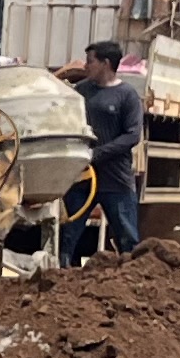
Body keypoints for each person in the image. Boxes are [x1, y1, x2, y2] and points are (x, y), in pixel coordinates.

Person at [68, 36, 147, 260]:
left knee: (127, 237)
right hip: (81, 179)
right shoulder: (81, 91)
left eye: (90, 61)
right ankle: (64, 272)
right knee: (68, 234)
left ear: (106, 63)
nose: (85, 66)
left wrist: (97, 154)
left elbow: (132, 136)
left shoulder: (127, 95)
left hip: (116, 180)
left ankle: (131, 273)